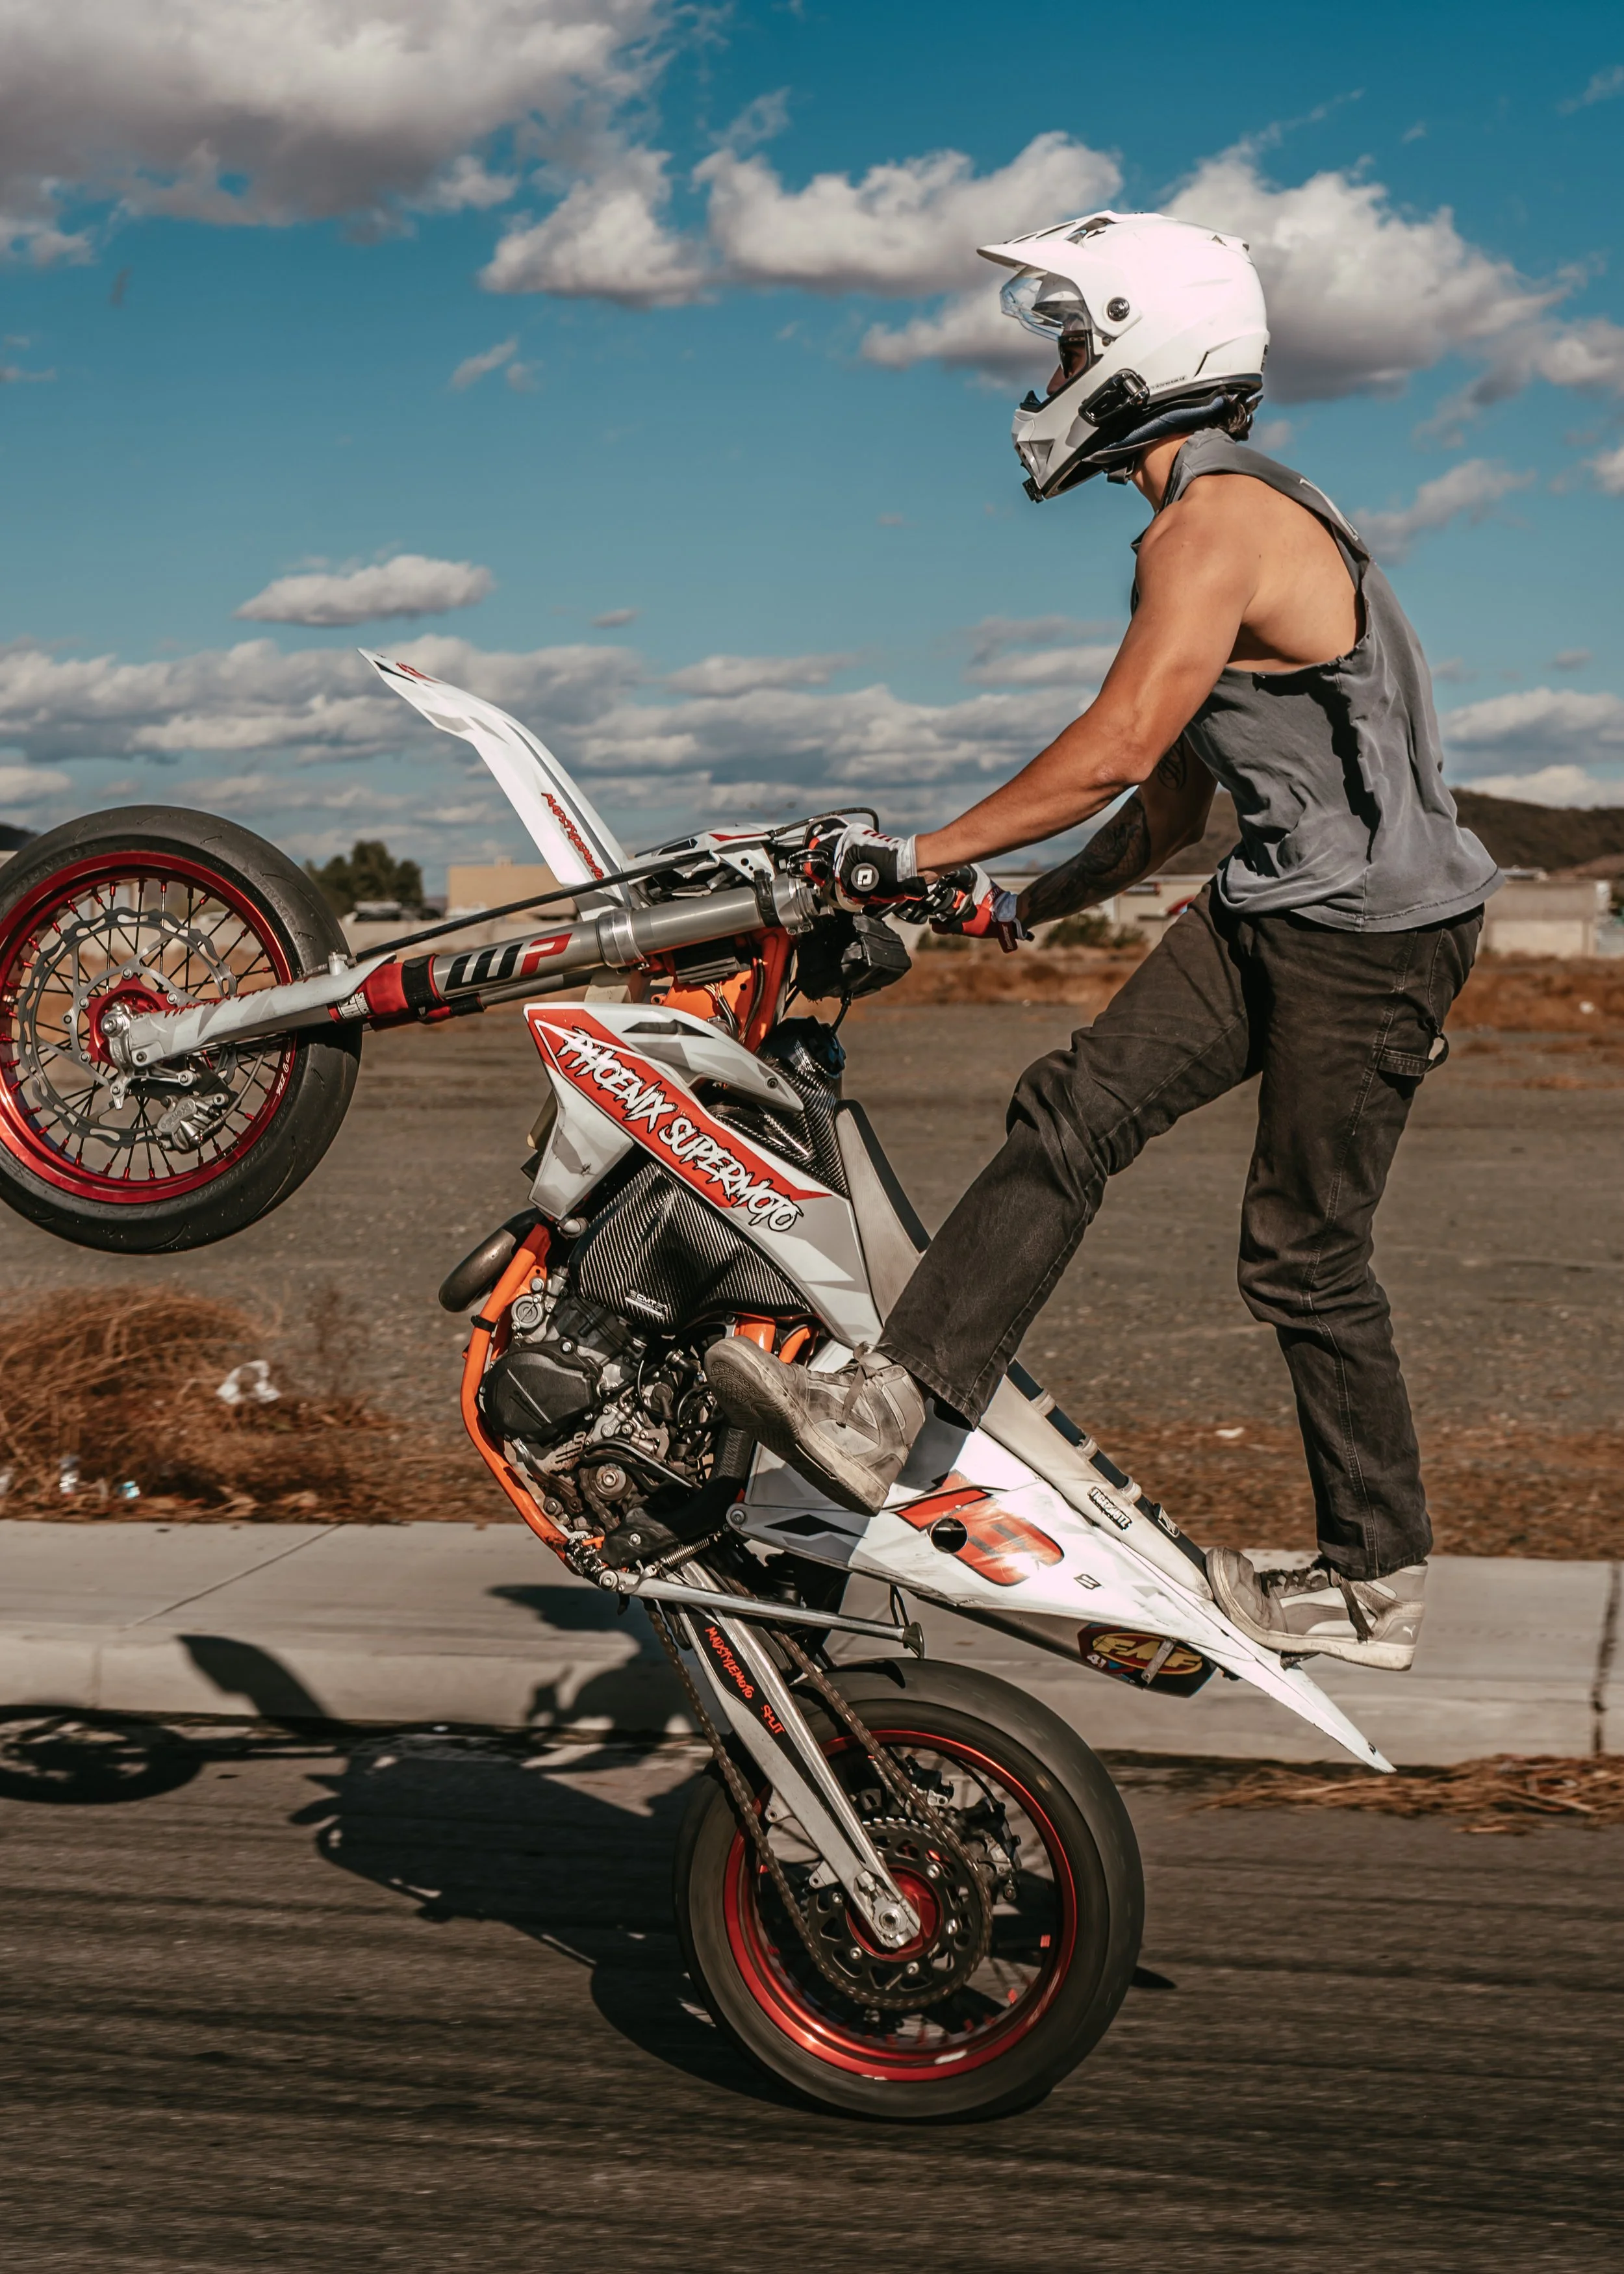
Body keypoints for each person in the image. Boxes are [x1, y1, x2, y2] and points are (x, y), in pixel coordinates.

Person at [706, 209, 1499, 1673]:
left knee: (1302, 1255)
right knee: (1068, 1112)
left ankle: (1372, 1582)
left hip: (1373, 938)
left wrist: (919, 851)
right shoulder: (1204, 525)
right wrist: (1021, 902)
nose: (1053, 370)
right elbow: (1173, 802)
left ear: (1142, 349)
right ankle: (882, 1415)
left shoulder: (1218, 524)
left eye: (1073, 339)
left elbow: (1113, 749)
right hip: (1275, 898)